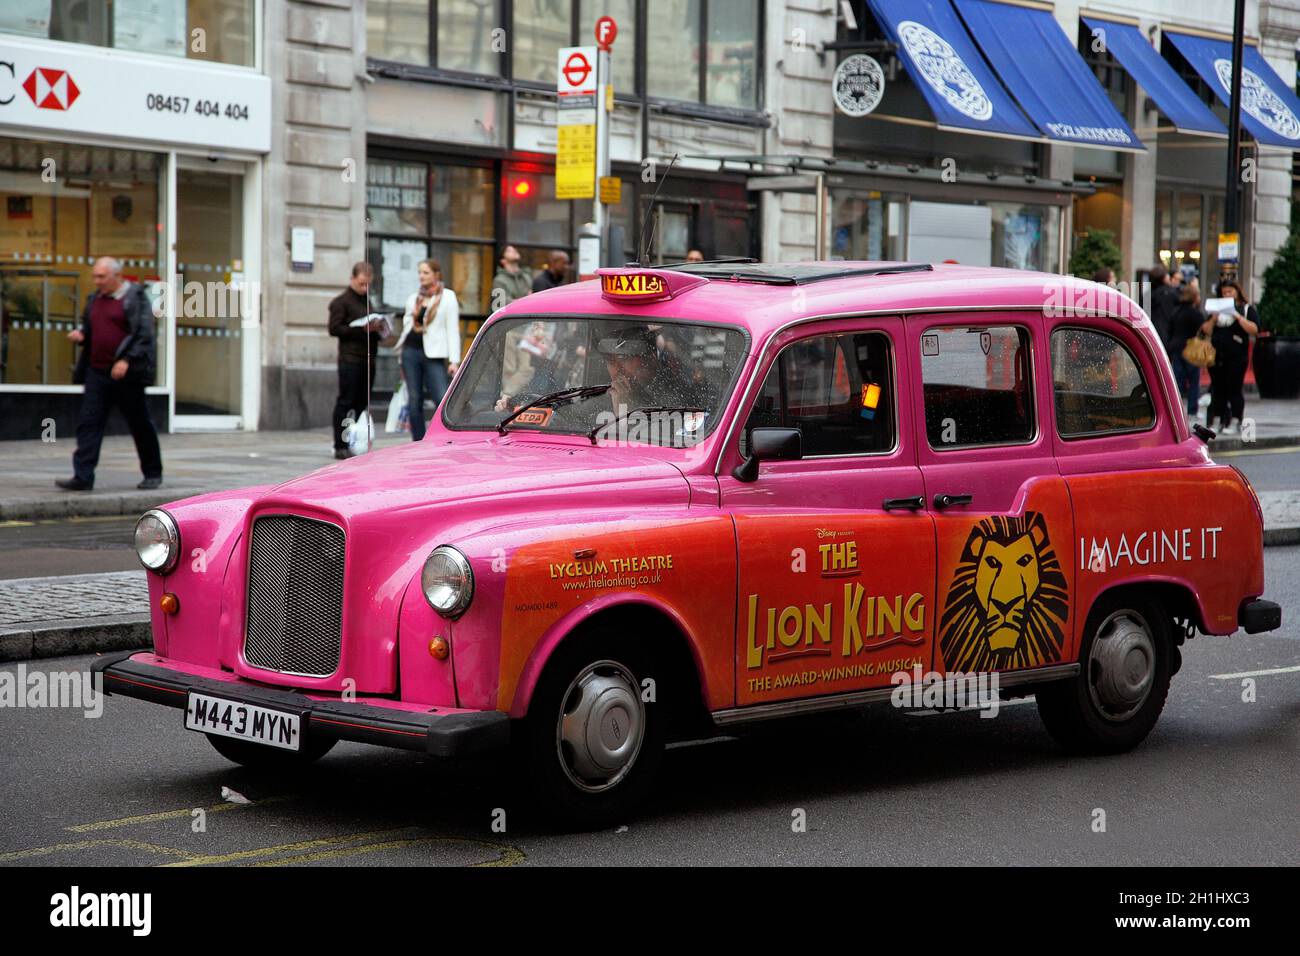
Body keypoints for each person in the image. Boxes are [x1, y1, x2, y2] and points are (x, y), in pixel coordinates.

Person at [56, 257, 162, 491]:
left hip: (127, 375)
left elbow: (144, 334)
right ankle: (83, 476)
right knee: (89, 423)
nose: (97, 281)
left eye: (101, 277)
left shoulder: (134, 298)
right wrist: (83, 335)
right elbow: (91, 329)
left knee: (139, 423)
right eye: (95, 276)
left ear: (117, 276)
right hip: (97, 372)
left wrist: (126, 359)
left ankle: (152, 472)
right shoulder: (94, 298)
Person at [393, 259, 460, 442]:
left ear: (436, 275)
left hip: (434, 354)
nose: (421, 276)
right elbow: (407, 323)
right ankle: (418, 441)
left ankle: (446, 438)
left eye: (426, 272)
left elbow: (452, 330)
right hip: (411, 352)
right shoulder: (414, 298)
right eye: (420, 272)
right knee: (415, 400)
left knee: (441, 398)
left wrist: (454, 360)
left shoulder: (448, 297)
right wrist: (415, 318)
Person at [329, 262, 384, 459]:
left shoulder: (367, 301)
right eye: (361, 284)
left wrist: (379, 329)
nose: (365, 288)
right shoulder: (341, 302)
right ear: (352, 279)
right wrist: (359, 330)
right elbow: (334, 328)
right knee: (346, 401)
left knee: (362, 401)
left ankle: (356, 440)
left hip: (367, 360)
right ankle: (340, 444)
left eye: (368, 284)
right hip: (350, 359)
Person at [1203, 278, 1261, 436]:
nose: (1227, 295)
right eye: (1224, 293)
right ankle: (1218, 420)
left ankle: (1236, 420)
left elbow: (1254, 329)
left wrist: (1237, 316)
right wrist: (1214, 319)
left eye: (1230, 291)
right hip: (1217, 357)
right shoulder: (1216, 310)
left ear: (1237, 292)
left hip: (1237, 357)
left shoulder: (1247, 309)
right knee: (1218, 389)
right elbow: (1206, 330)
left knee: (1234, 389)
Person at [1168, 279, 1206, 416]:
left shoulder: (1176, 311)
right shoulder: (1195, 313)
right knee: (1193, 381)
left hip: (1176, 348)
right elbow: (1202, 332)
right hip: (1191, 349)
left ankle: (1174, 410)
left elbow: (1170, 330)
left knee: (1177, 381)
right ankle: (1192, 410)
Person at [1148, 264, 1182, 354]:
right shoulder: (1172, 294)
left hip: (1150, 335)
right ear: (1163, 278)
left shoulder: (1147, 295)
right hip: (1168, 336)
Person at [490, 245, 532, 311]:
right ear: (503, 260)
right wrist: (526, 301)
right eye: (509, 251)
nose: (514, 251)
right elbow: (502, 305)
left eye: (514, 249)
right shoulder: (498, 280)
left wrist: (515, 301)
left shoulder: (526, 277)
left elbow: (532, 301)